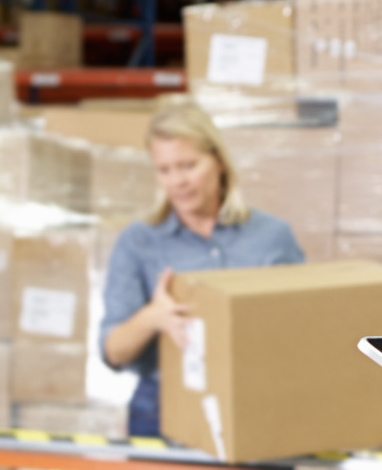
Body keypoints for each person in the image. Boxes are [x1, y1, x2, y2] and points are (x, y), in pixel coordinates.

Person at [99, 105, 307, 438]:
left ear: (219, 161)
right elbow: (112, 352)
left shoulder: (272, 237)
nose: (177, 181)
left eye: (188, 165)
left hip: (258, 403)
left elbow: (305, 331)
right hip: (164, 409)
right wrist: (153, 317)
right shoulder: (138, 243)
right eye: (164, 170)